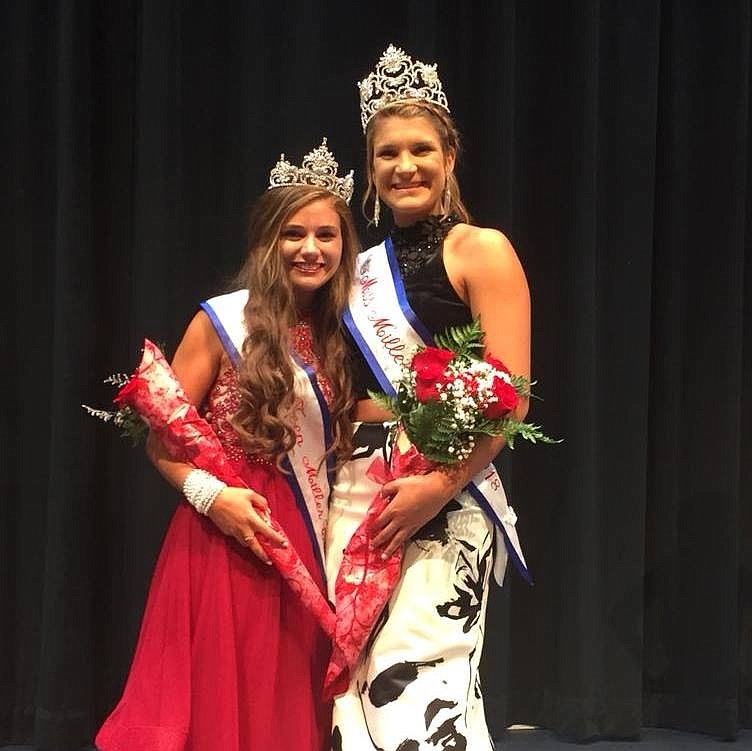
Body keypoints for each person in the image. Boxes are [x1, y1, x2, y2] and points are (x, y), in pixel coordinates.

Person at [95, 139, 358, 751]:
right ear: (268, 242)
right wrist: (216, 499)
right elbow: (162, 441)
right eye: (295, 234)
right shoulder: (220, 321)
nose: (311, 249)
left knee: (283, 700)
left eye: (327, 235)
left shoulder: (343, 334)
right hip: (225, 532)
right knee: (219, 696)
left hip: (308, 530)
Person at [326, 46, 531, 750]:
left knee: (420, 681)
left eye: (420, 149)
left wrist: (436, 487)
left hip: (443, 487)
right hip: (353, 491)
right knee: (352, 688)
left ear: (449, 156)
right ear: (370, 165)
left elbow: (512, 399)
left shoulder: (483, 250)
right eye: (387, 153)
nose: (403, 166)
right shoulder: (353, 271)